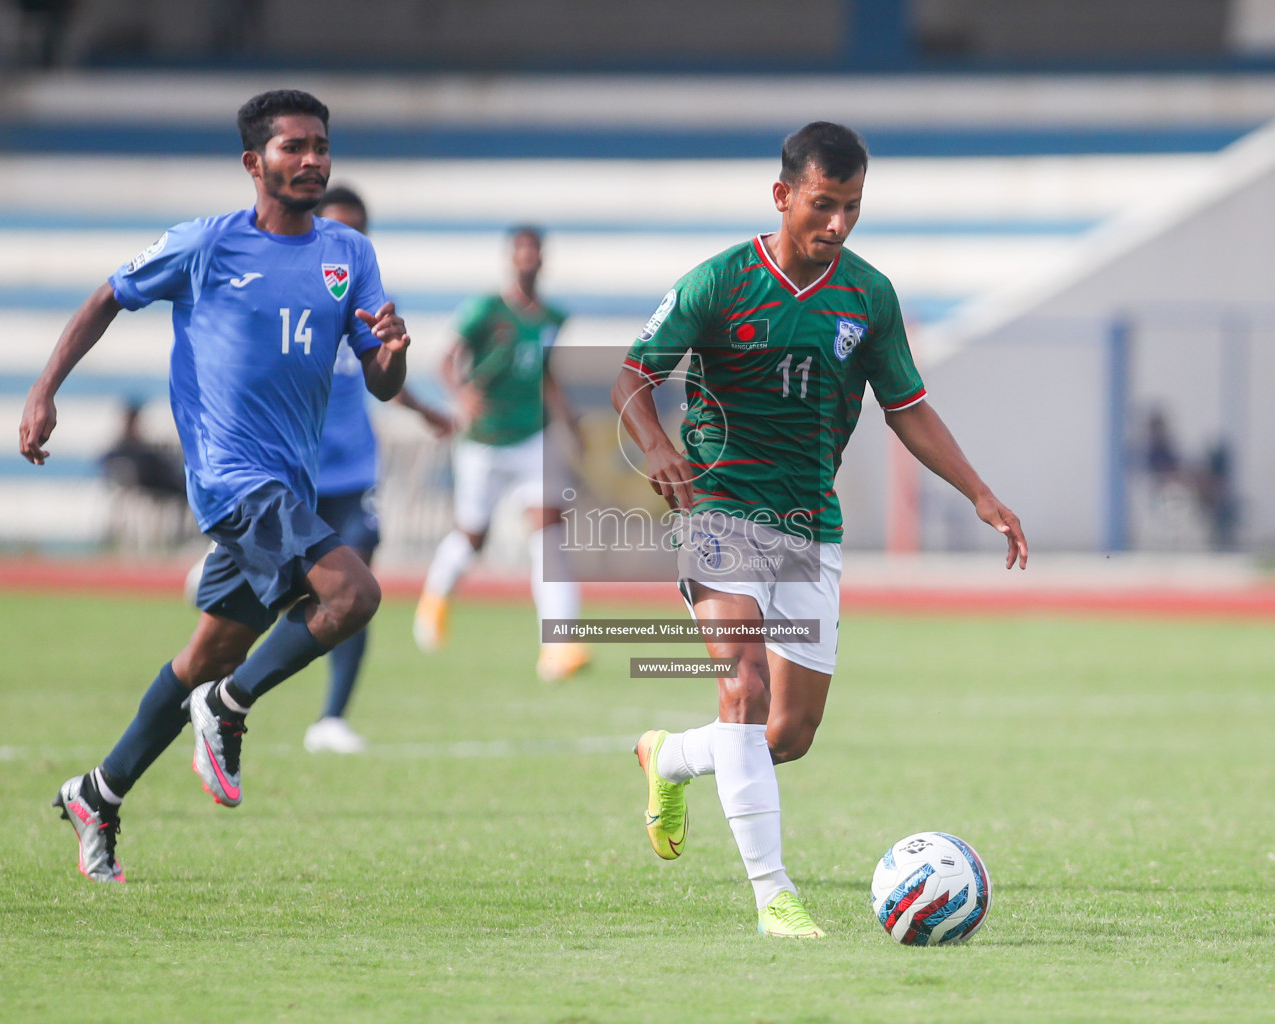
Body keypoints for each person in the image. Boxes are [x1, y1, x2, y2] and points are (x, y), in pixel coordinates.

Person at [612, 122, 1027, 938]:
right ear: (783, 196)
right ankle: (775, 897)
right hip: (720, 512)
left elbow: (907, 408)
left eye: (852, 208)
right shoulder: (720, 283)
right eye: (823, 205)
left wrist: (980, 492)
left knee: (788, 735)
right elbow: (633, 371)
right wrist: (659, 447)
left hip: (809, 525)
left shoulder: (867, 296)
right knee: (744, 690)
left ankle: (670, 756)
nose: (836, 224)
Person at [19, 89, 411, 883]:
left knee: (205, 655)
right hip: (232, 479)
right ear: (252, 162)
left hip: (288, 485)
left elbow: (381, 383)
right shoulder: (204, 245)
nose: (311, 160)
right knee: (354, 596)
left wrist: (394, 350)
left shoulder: (350, 254)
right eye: (293, 147)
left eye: (320, 146)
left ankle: (99, 791)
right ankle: (230, 710)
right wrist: (43, 391)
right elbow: (105, 298)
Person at [302, 185, 453, 753]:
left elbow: (382, 372)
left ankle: (332, 718)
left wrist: (427, 409)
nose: (348, 239)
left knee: (358, 584)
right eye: (339, 226)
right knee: (276, 596)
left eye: (358, 229)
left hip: (353, 472)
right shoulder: (289, 293)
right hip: (291, 473)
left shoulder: (361, 297)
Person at [412, 225, 589, 683]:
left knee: (549, 536)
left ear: (543, 259)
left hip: (533, 436)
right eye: (521, 250)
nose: (528, 257)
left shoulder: (552, 315)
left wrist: (569, 419)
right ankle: (434, 600)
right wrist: (462, 392)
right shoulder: (485, 309)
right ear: (511, 258)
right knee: (473, 536)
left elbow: (544, 371)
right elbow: (447, 359)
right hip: (485, 440)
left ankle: (559, 646)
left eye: (535, 250)